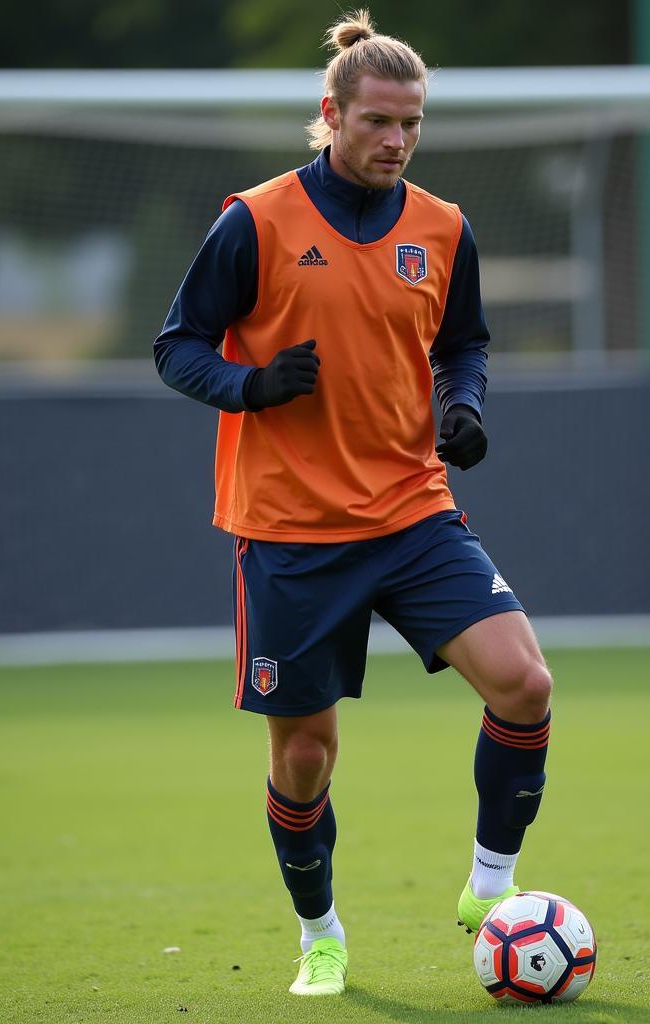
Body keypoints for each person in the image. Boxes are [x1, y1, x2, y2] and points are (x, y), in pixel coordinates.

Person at [154, 8, 553, 998]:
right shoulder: (255, 219)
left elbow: (463, 344)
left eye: (410, 122)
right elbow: (177, 345)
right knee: (304, 757)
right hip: (290, 535)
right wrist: (250, 387)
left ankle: (490, 891)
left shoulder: (443, 227)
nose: (396, 139)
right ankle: (320, 934)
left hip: (413, 512)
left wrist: (459, 408)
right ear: (330, 114)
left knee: (524, 683)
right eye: (377, 120)